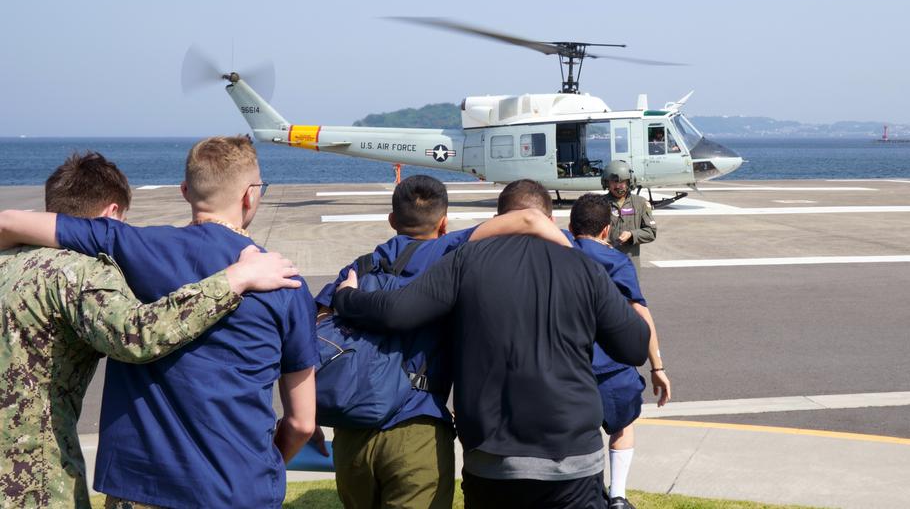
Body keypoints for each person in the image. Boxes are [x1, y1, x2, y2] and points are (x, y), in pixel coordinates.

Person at [0, 137, 320, 508]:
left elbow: (13, 221)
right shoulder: (284, 282)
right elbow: (301, 423)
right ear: (250, 195)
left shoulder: (128, 249)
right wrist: (262, 470)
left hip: (136, 488)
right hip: (238, 487)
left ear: (185, 191)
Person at [333, 179, 651, 509]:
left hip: (493, 459)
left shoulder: (465, 261)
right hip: (573, 459)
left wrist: (347, 297)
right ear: (551, 220)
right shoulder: (585, 267)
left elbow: (396, 311)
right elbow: (634, 346)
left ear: (500, 217)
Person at [316, 175, 570, 509]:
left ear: (392, 220)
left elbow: (313, 342)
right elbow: (527, 219)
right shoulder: (448, 252)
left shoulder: (357, 269)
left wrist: (308, 419)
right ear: (444, 222)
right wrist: (581, 264)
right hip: (416, 428)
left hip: (350, 434)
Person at [569, 194, 672, 509]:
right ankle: (617, 496)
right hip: (611, 365)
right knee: (623, 427)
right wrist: (657, 367)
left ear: (571, 226)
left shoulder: (558, 254)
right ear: (605, 230)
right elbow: (641, 315)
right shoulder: (617, 262)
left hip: (568, 364)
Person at [603, 161, 656, 268]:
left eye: (622, 181)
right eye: (613, 182)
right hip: (606, 262)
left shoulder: (640, 203)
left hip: (630, 264)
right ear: (607, 183)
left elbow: (651, 232)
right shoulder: (599, 203)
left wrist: (632, 234)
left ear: (629, 182)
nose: (618, 186)